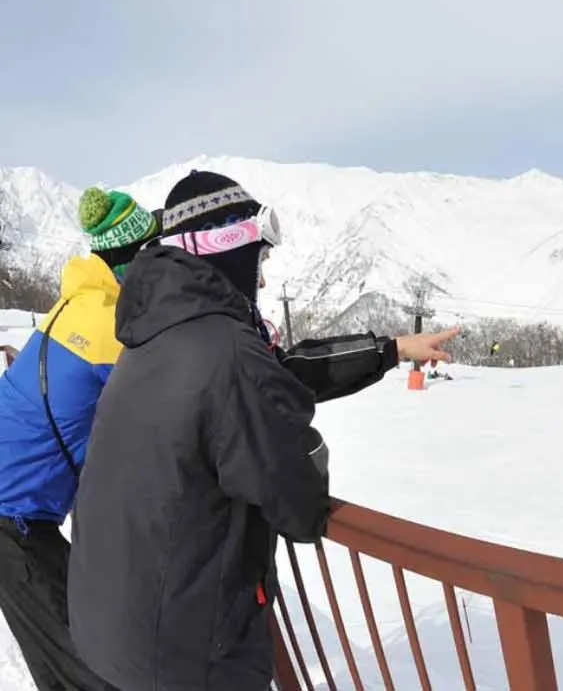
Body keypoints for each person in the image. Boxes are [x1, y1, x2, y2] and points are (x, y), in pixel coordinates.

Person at [66, 171, 456, 691]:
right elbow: (298, 507)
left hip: (113, 634)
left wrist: (390, 350)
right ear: (230, 248)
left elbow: (276, 373)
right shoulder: (225, 350)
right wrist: (305, 452)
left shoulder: (150, 336)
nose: (264, 281)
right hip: (185, 658)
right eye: (261, 261)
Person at [0, 187, 159, 691]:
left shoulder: (77, 303)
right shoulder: (108, 326)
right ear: (131, 259)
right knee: (84, 664)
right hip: (13, 519)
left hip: (21, 509)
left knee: (75, 649)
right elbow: (176, 400)